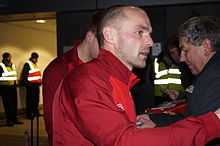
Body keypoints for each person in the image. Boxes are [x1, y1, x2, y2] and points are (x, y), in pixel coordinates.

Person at [52, 6, 220, 146]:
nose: (150, 42)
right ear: (110, 35)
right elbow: (124, 141)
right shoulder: (86, 79)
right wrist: (212, 123)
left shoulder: (117, 80)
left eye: (149, 34)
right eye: (140, 32)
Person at [147, 15, 220, 145]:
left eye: (185, 50)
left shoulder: (214, 76)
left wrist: (152, 131)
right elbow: (192, 119)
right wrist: (153, 118)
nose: (181, 58)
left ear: (206, 46)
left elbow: (196, 131)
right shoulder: (208, 73)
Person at [42, 11, 101, 146]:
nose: (109, 49)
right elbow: (53, 123)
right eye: (104, 43)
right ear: (90, 37)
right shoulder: (58, 70)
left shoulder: (101, 67)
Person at [150, 34, 195, 106]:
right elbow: (152, 78)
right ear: (168, 53)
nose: (176, 55)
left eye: (178, 51)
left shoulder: (188, 64)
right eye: (172, 52)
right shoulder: (157, 62)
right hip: (160, 101)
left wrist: (181, 95)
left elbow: (191, 85)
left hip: (182, 102)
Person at [0, 52, 23, 126]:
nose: (10, 58)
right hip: (5, 88)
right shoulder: (1, 66)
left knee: (14, 104)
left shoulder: (12, 65)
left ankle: (14, 119)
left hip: (13, 87)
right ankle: (9, 121)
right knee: (8, 105)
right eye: (9, 57)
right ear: (5, 58)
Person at [21, 52, 42, 119]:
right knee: (30, 100)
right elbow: (24, 75)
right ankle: (29, 114)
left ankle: (35, 112)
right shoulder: (28, 64)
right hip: (31, 86)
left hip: (36, 85)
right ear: (35, 58)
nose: (37, 59)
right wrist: (28, 84)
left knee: (36, 100)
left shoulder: (35, 64)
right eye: (37, 58)